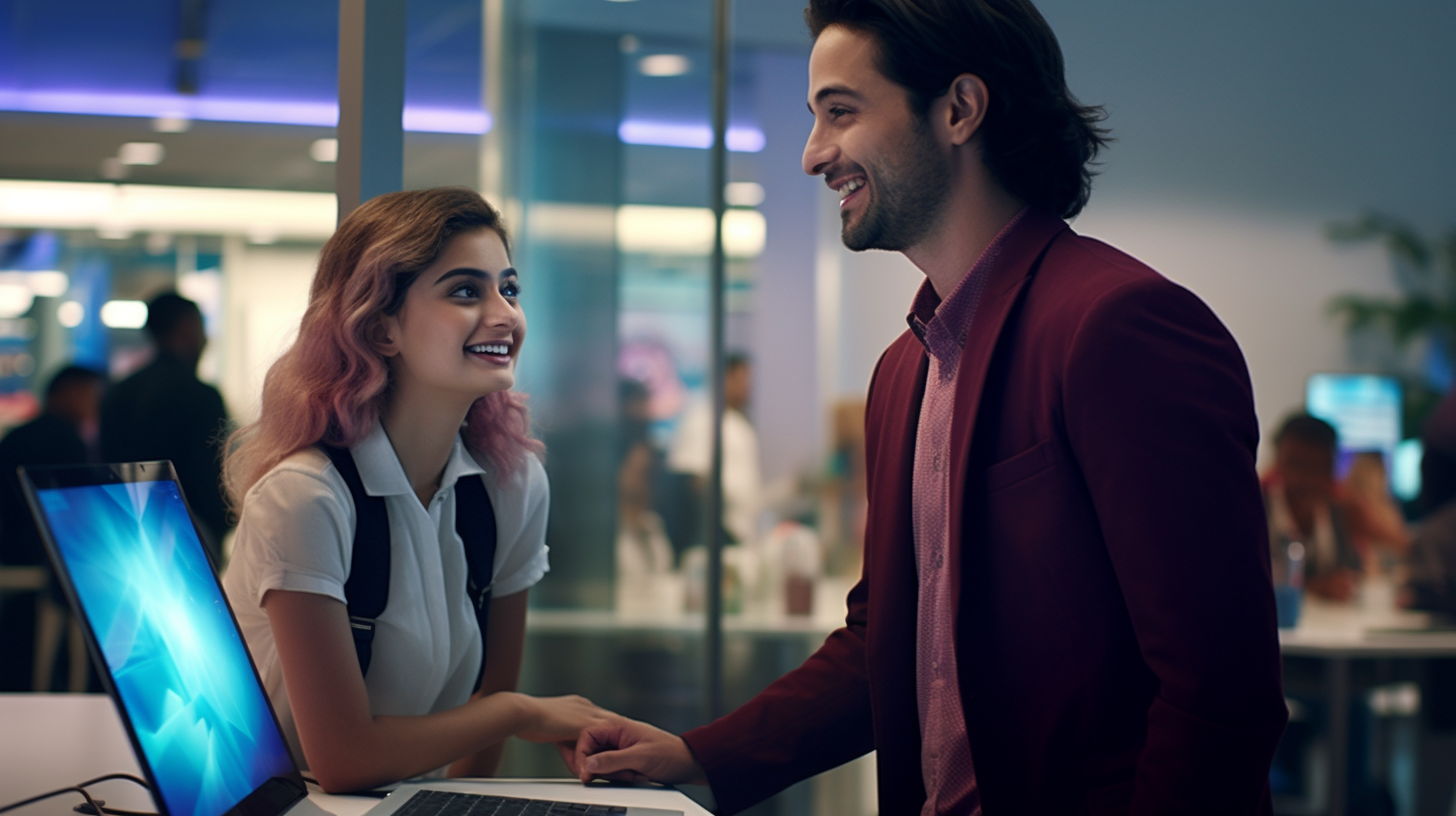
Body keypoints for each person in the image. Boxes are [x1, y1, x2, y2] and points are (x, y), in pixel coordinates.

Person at [574, 1, 1288, 813]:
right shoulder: (904, 371)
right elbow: (887, 647)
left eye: (840, 112)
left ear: (958, 109)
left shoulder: (1118, 325)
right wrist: (698, 755)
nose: (813, 155)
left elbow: (1217, 694)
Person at [220, 187, 608, 792]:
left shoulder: (512, 483)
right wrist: (522, 711)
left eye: (508, 288)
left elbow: (485, 712)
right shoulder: (305, 497)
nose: (505, 314)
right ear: (380, 329)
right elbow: (343, 760)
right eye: (464, 291)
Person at [100, 291, 231, 562]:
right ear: (186, 328)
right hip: (188, 532)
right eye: (201, 328)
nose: (205, 340)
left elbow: (104, 463)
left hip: (126, 528)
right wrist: (223, 523)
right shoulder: (201, 395)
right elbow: (210, 473)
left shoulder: (118, 391)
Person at [0, 364, 104, 690]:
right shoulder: (64, 438)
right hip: (38, 555)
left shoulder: (19, 434)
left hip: (13, 550)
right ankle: (77, 686)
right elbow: (72, 513)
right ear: (67, 393)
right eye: (91, 394)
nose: (95, 404)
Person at [1262, 412, 1365, 602]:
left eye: (1316, 468)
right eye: (1295, 465)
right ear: (1277, 460)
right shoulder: (1256, 509)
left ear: (1331, 469)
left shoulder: (1340, 513)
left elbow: (1353, 573)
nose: (1304, 479)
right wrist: (1312, 588)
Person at [666, 353, 761, 547]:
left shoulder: (739, 424)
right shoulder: (702, 419)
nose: (747, 387)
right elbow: (695, 484)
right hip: (716, 536)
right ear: (724, 378)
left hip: (741, 534)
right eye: (742, 379)